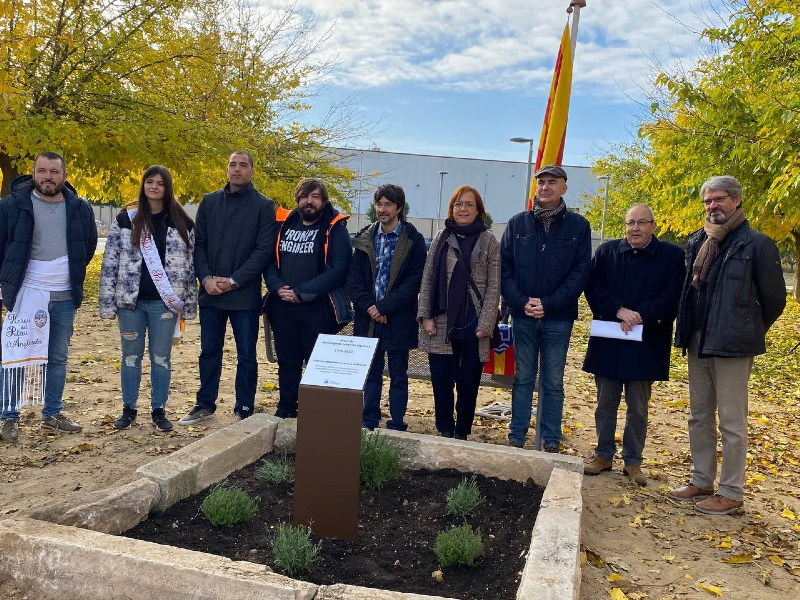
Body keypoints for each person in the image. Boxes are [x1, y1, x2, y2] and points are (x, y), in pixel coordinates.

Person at [669, 176, 785, 515]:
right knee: (698, 416)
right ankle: (701, 480)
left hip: (733, 345)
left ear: (736, 200)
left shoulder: (757, 244)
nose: (712, 206)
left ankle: (731, 492)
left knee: (732, 421)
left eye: (718, 199)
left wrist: (745, 329)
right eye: (707, 201)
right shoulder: (698, 241)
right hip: (697, 340)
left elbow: (774, 300)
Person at [582, 204, 685, 485]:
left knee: (638, 407)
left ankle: (633, 461)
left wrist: (640, 315)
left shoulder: (672, 256)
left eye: (641, 222)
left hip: (647, 341)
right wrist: (618, 309)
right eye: (630, 223)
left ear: (653, 226)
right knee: (605, 403)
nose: (635, 228)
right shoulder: (606, 252)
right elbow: (593, 286)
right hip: (610, 338)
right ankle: (603, 455)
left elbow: (673, 295)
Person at [0, 152, 97, 443]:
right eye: (42, 171)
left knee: (57, 357)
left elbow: (87, 245)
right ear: (33, 174)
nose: (48, 177)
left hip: (64, 295)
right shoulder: (12, 205)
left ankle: (52, 414)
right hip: (25, 293)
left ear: (64, 176)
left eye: (54, 171)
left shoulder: (79, 207)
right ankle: (8, 417)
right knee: (16, 354)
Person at [179, 152, 276, 425]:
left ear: (252, 171)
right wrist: (206, 278)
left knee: (247, 354)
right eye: (233, 164)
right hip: (211, 293)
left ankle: (244, 407)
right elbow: (199, 245)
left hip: (244, 296)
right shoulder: (209, 202)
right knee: (209, 351)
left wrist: (234, 281)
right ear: (227, 169)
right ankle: (204, 404)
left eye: (243, 165)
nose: (237, 169)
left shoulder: (263, 205)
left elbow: (263, 251)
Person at [99, 166, 197, 432]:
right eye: (149, 182)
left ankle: (159, 410)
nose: (154, 187)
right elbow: (110, 262)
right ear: (143, 185)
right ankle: (128, 409)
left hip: (164, 303)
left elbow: (190, 268)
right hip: (130, 303)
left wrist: (188, 304)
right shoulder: (126, 219)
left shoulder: (182, 222)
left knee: (161, 358)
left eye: (160, 183)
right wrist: (107, 301)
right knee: (130, 357)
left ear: (168, 188)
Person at [501, 164, 591, 452]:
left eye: (552, 182)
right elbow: (505, 268)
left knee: (553, 381)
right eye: (541, 182)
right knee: (523, 378)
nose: (546, 187)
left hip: (558, 318)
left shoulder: (579, 226)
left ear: (564, 187)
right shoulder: (517, 224)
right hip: (523, 316)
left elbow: (580, 273)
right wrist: (521, 302)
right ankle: (517, 436)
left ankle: (551, 439)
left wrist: (549, 304)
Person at [417, 185, 500, 440]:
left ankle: (462, 433)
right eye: (458, 204)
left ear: (479, 210)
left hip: (474, 323)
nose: (463, 209)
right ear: (452, 209)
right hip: (441, 321)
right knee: (441, 382)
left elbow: (494, 285)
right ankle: (444, 429)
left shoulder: (488, 240)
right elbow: (428, 277)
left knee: (468, 384)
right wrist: (426, 316)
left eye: (469, 204)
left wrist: (486, 323)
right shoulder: (441, 237)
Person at [264, 177, 352, 419]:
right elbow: (268, 261)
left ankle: (315, 414)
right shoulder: (283, 224)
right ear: (297, 199)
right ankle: (286, 409)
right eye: (304, 196)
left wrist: (301, 293)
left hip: (317, 309)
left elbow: (339, 270)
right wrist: (277, 287)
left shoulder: (335, 228)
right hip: (282, 307)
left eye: (315, 197)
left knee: (317, 365)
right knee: (287, 363)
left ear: (323, 200)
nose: (309, 201)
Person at [348, 184, 426, 431]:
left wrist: (384, 307)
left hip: (398, 319)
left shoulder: (413, 240)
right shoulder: (365, 237)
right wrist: (371, 307)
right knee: (371, 374)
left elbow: (414, 282)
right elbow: (354, 279)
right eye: (379, 204)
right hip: (368, 319)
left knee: (398, 375)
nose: (382, 209)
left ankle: (397, 423)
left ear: (399, 208)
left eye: (388, 204)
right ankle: (368, 421)